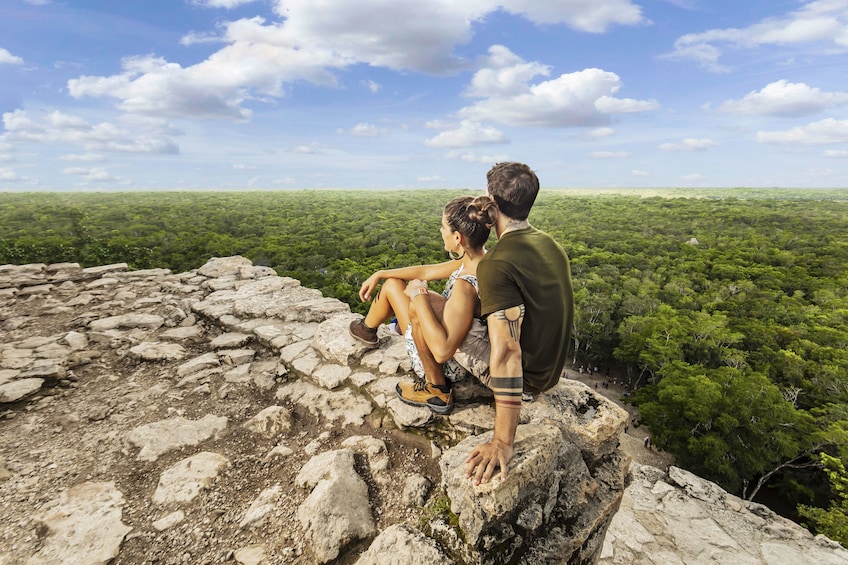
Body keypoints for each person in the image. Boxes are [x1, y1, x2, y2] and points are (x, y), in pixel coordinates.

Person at [463, 162, 574, 486]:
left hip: (530, 377)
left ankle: (437, 386)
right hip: (551, 368)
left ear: (493, 204)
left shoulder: (496, 262)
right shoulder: (549, 244)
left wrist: (502, 442)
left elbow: (508, 351)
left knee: (435, 316)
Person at [350, 196, 497, 412]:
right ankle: (367, 329)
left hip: (448, 366)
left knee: (394, 288)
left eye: (443, 227)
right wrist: (380, 273)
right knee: (393, 282)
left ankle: (435, 388)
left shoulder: (467, 284)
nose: (440, 231)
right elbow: (426, 271)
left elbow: (443, 350)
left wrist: (420, 296)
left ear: (457, 237)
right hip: (448, 339)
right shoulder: (479, 260)